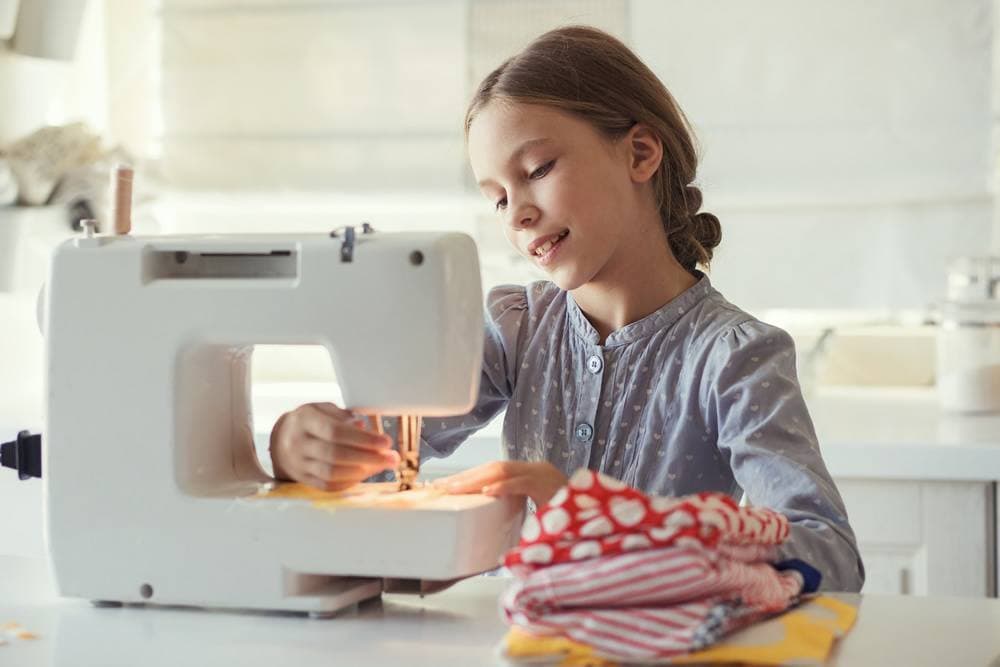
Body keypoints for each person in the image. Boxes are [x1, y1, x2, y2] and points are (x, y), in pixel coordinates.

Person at [269, 25, 864, 592]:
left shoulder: (733, 359)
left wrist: (601, 520)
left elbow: (830, 555)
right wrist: (296, 445)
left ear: (639, 153)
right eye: (497, 198)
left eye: (538, 171)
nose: (517, 214)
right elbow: (376, 458)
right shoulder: (514, 331)